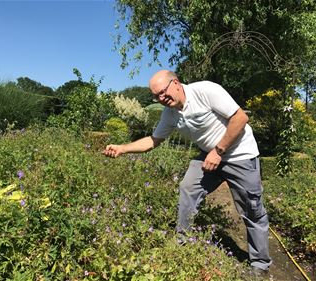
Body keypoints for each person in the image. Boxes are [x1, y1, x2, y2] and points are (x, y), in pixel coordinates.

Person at [102, 70, 272, 274]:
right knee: (188, 188)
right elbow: (153, 141)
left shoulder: (206, 90)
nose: (161, 99)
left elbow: (240, 118)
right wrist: (122, 148)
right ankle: (183, 244)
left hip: (239, 155)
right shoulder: (170, 113)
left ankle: (260, 264)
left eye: (163, 93)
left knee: (251, 208)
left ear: (176, 83)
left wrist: (218, 151)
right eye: (156, 96)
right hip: (210, 156)